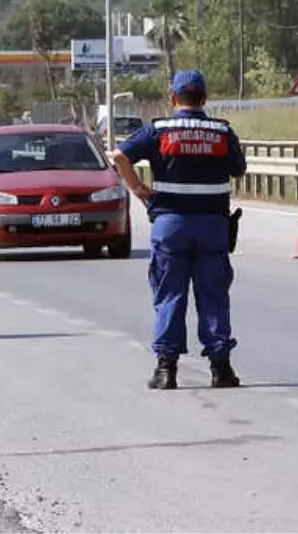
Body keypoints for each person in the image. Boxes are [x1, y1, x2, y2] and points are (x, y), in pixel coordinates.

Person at [111, 70, 247, 390]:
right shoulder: (222, 131)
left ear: (173, 99)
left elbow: (119, 156)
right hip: (213, 225)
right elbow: (238, 169)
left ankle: (165, 369)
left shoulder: (158, 130)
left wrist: (139, 189)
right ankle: (220, 368)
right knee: (213, 296)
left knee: (170, 295)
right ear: (204, 99)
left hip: (170, 224)